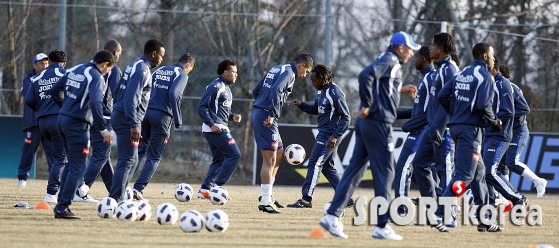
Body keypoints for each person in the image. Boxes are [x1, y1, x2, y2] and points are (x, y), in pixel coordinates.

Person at [320, 31, 420, 240]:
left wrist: (400, 89)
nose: (412, 53)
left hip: (367, 123)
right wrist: (366, 103)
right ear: (400, 48)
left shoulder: (387, 60)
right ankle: (382, 225)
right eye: (410, 48)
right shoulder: (391, 60)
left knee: (355, 171)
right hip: (378, 124)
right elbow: (365, 75)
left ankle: (332, 215)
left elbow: (380, 82)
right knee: (386, 173)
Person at [434, 42, 503, 233]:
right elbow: (483, 105)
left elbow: (442, 95)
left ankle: (484, 220)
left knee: (479, 173)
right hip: (470, 131)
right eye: (491, 54)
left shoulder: (463, 73)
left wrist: (455, 113)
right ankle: (438, 212)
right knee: (465, 175)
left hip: (457, 127)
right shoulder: (485, 77)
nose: (493, 58)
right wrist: (495, 122)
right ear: (483, 56)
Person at [49, 50, 115, 219]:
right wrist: (102, 127)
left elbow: (54, 91)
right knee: (78, 167)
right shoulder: (96, 77)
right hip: (77, 125)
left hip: (62, 120)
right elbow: (95, 102)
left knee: (72, 164)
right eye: (108, 70)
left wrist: (66, 107)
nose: (107, 73)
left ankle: (60, 206)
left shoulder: (73, 69)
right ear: (105, 64)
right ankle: (63, 207)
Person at [252, 53, 314, 214]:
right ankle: (265, 201)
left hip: (263, 113)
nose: (305, 75)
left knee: (279, 153)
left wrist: (261, 105)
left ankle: (268, 195)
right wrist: (270, 113)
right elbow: (277, 90)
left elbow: (256, 89)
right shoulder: (289, 73)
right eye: (306, 71)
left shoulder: (277, 68)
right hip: (267, 116)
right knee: (270, 159)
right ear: (301, 66)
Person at [286, 64, 350, 208]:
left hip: (329, 135)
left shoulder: (335, 92)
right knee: (327, 167)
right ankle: (345, 197)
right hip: (324, 133)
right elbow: (316, 109)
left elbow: (346, 117)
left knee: (314, 164)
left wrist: (334, 135)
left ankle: (306, 199)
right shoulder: (322, 92)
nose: (312, 83)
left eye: (314, 80)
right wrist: (301, 104)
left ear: (322, 78)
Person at [132, 53, 195, 200]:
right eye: (189, 70)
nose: (188, 73)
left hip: (145, 113)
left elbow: (144, 89)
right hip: (162, 117)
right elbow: (174, 94)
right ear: (188, 66)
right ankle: (137, 189)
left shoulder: (160, 70)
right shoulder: (181, 74)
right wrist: (178, 119)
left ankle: (121, 187)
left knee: (139, 151)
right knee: (154, 156)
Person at [109, 39, 165, 202]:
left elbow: (119, 90)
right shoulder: (143, 70)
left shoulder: (134, 65)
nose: (161, 60)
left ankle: (120, 196)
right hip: (127, 118)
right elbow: (131, 98)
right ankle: (116, 199)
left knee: (131, 160)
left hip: (122, 114)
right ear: (153, 54)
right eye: (161, 56)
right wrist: (134, 123)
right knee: (127, 160)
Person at [412, 33, 459, 204]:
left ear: (441, 48)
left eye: (432, 44)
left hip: (444, 129)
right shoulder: (440, 69)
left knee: (445, 171)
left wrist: (439, 126)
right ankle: (432, 206)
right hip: (432, 127)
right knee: (418, 165)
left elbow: (452, 102)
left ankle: (449, 212)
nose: (429, 47)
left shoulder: (450, 69)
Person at [74, 40, 122, 202]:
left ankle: (115, 192)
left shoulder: (91, 67)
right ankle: (81, 189)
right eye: (119, 53)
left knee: (103, 156)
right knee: (101, 154)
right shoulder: (114, 69)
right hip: (104, 115)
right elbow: (117, 94)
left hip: (89, 114)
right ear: (115, 53)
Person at [393, 46, 434, 214]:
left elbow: (431, 112)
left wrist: (409, 125)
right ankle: (438, 204)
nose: (414, 59)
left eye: (416, 56)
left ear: (423, 59)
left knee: (403, 168)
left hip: (422, 132)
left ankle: (401, 211)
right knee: (418, 171)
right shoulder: (425, 79)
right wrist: (393, 114)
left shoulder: (431, 78)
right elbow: (418, 110)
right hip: (419, 130)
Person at [496, 64, 547, 198]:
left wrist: (507, 115)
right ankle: (505, 197)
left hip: (519, 130)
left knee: (511, 162)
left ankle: (539, 181)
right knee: (501, 166)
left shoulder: (511, 87)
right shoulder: (497, 89)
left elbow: (525, 109)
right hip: (507, 132)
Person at [482, 57, 527, 207]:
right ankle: (491, 202)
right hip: (488, 134)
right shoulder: (490, 84)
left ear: (494, 68)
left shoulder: (503, 84)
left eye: (486, 68)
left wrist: (491, 120)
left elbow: (508, 112)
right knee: (483, 171)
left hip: (499, 135)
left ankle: (517, 197)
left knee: (490, 171)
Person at [25, 49, 68, 203]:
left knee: (61, 157)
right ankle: (51, 194)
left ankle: (72, 188)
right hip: (59, 121)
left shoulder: (37, 77)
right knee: (61, 157)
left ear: (48, 61)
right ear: (64, 63)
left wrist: (42, 110)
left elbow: (29, 100)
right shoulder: (66, 74)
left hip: (43, 123)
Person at [196, 59, 241, 199]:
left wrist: (232, 116)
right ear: (225, 72)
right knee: (234, 154)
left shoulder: (226, 87)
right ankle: (218, 188)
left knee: (219, 159)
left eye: (236, 72)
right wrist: (211, 124)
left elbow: (218, 110)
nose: (236, 75)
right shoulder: (216, 86)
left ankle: (205, 190)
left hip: (218, 126)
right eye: (233, 72)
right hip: (215, 129)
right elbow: (201, 106)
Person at [16, 53, 54, 189]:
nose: (44, 66)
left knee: (52, 152)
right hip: (33, 122)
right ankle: (22, 177)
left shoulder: (51, 77)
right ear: (34, 65)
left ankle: (55, 180)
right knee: (28, 150)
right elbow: (31, 97)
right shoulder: (28, 80)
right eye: (41, 63)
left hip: (48, 122)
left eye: (46, 63)